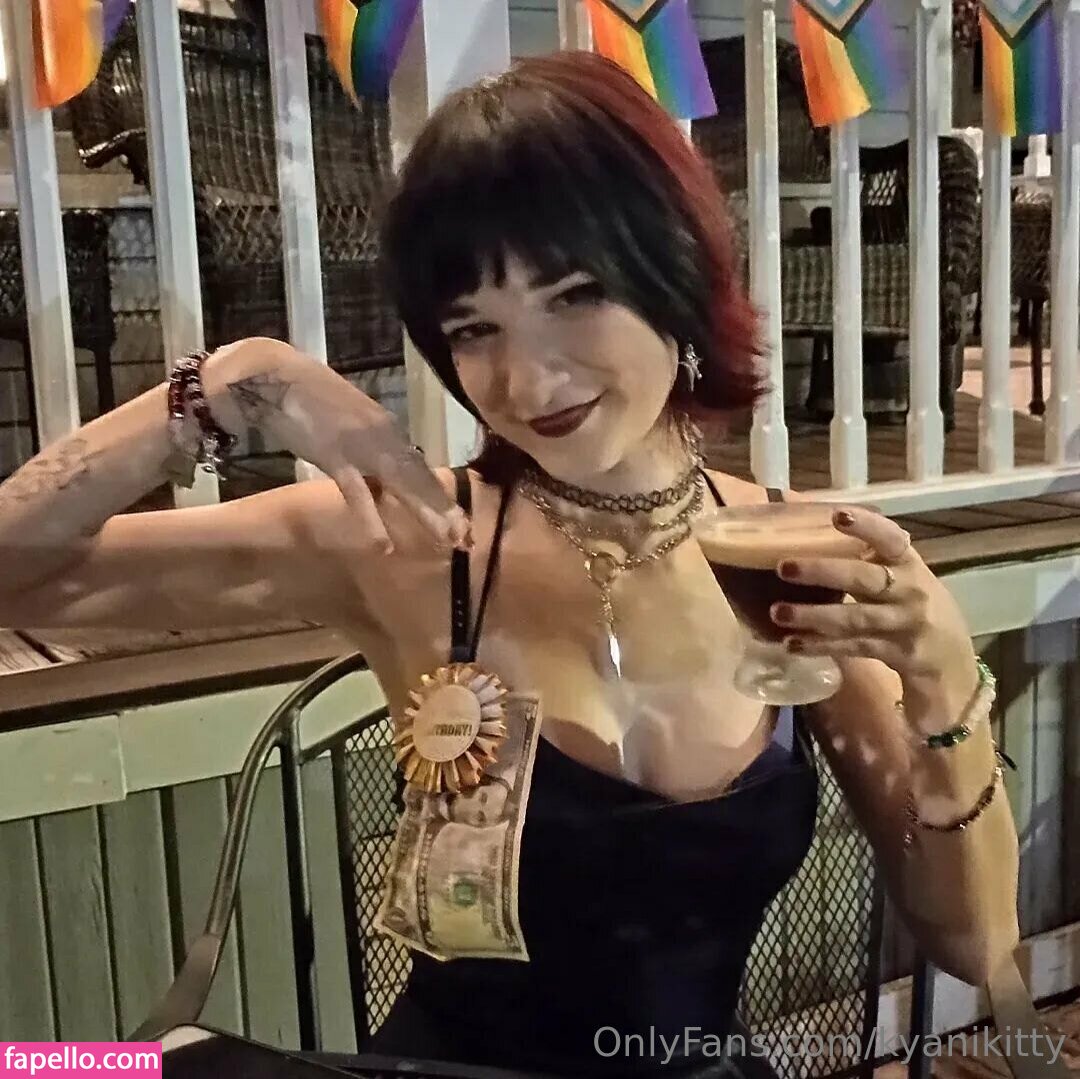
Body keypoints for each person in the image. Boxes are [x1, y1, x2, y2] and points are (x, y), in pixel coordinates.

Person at [0, 51, 1019, 1079]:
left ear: (674, 269)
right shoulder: (408, 538)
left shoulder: (788, 557)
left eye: (574, 295)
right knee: (60, 1069)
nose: (527, 381)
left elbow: (976, 947)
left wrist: (945, 681)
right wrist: (234, 382)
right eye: (475, 329)